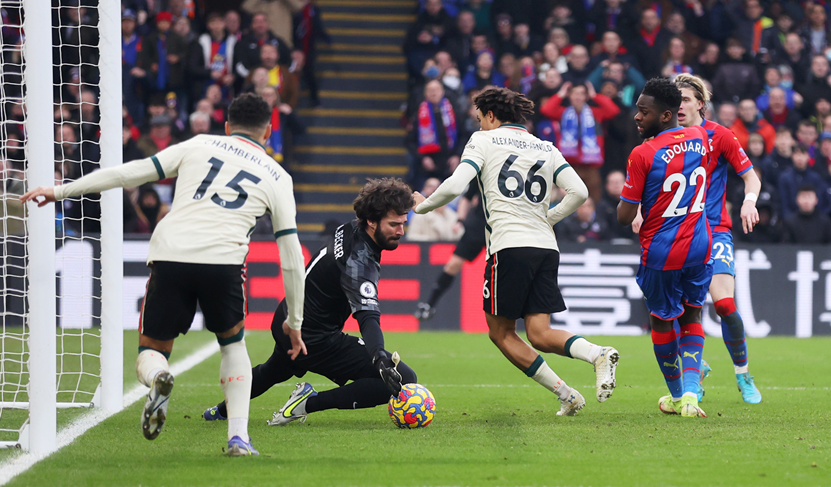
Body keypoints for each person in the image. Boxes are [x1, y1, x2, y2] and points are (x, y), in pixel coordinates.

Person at [20, 94, 306, 457]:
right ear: (267, 131)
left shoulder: (199, 145)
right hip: (224, 262)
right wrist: (295, 321)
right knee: (233, 345)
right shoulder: (278, 176)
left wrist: (60, 190)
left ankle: (158, 377)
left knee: (152, 349)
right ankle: (238, 437)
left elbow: (128, 173)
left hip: (171, 254)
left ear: (227, 127)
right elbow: (292, 257)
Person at [413, 86, 618, 415]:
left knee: (500, 333)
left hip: (509, 246)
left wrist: (422, 207)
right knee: (540, 333)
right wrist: (548, 218)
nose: (480, 125)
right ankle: (595, 357)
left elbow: (455, 185)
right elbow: (579, 192)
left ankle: (565, 391)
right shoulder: (546, 146)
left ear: (491, 116)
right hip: (545, 246)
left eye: (480, 119)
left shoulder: (483, 140)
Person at [202, 178, 418, 425]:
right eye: (394, 224)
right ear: (371, 221)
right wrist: (379, 356)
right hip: (314, 339)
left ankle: (220, 411)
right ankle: (307, 402)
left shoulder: (350, 227)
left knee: (273, 370)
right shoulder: (358, 263)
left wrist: (417, 202)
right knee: (404, 378)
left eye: (403, 223)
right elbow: (367, 317)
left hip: (288, 318)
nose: (401, 231)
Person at [616, 77, 712, 418]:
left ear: (666, 115)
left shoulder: (643, 153)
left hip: (662, 251)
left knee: (661, 321)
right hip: (699, 246)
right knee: (692, 316)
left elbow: (625, 216)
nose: (637, 117)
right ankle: (692, 395)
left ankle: (677, 396)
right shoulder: (700, 137)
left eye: (645, 112)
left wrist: (636, 196)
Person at [674, 74, 763, 404]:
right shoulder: (664, 138)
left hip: (713, 230)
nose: (679, 105)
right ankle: (694, 372)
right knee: (675, 311)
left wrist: (749, 202)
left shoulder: (720, 135)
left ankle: (743, 373)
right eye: (675, 100)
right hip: (676, 234)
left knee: (725, 305)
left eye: (685, 99)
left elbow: (751, 177)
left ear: (700, 103)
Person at [415, 179, 487, 322]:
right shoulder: (482, 175)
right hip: (478, 225)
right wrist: (460, 220)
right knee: (453, 264)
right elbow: (466, 198)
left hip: (503, 227)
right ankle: (429, 305)